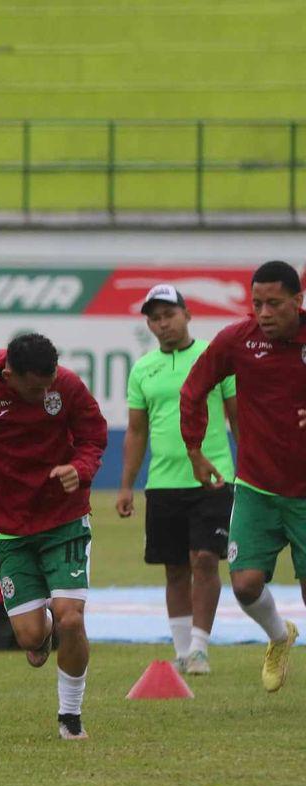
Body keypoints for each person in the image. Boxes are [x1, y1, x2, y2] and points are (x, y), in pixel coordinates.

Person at [0, 334, 107, 740]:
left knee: (71, 616)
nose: (44, 394)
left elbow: (93, 436)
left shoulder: (66, 385)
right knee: (33, 639)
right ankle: (41, 629)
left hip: (64, 518)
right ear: (9, 374)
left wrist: (80, 469)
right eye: (35, 389)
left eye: (48, 383)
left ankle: (70, 717)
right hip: (10, 530)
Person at [181, 260, 306, 692]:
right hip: (257, 487)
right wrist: (195, 450)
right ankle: (278, 636)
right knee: (246, 584)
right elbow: (194, 389)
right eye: (257, 303)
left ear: (298, 301)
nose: (264, 313)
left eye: (274, 303)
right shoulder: (238, 340)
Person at [117, 284, 237, 675]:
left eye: (169, 314)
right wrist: (126, 485)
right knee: (174, 567)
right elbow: (136, 432)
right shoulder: (143, 369)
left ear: (187, 314)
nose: (162, 323)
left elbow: (239, 418)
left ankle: (200, 648)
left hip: (213, 477)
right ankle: (183, 652)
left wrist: (250, 470)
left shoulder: (213, 357)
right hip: (163, 482)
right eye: (154, 317)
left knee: (204, 558)